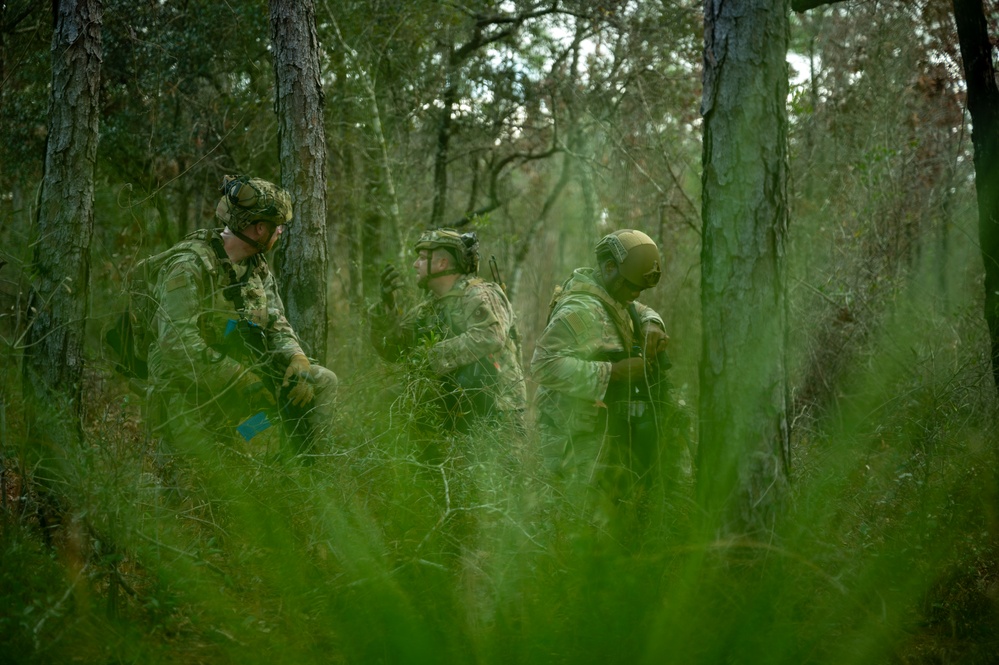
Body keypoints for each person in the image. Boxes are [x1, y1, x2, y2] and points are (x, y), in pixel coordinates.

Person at [146, 174, 337, 463]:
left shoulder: (255, 266)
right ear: (260, 228)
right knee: (203, 475)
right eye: (278, 227)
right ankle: (230, 455)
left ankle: (299, 469)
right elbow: (177, 345)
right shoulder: (188, 268)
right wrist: (242, 380)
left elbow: (275, 320)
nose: (281, 232)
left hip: (240, 384)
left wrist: (297, 358)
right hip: (189, 391)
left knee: (320, 383)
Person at [531, 229, 671, 525]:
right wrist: (613, 372)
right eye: (632, 286)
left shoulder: (610, 293)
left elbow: (634, 307)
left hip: (602, 432)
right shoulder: (580, 309)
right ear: (610, 269)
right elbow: (542, 365)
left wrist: (651, 322)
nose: (636, 294)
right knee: (576, 521)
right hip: (571, 438)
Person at [370, 228, 527, 436]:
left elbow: (491, 337)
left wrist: (432, 356)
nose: (415, 264)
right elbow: (393, 350)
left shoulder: (479, 295)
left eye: (423, 258)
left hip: (497, 411)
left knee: (494, 468)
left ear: (442, 264)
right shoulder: (430, 308)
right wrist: (386, 307)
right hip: (450, 408)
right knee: (388, 399)